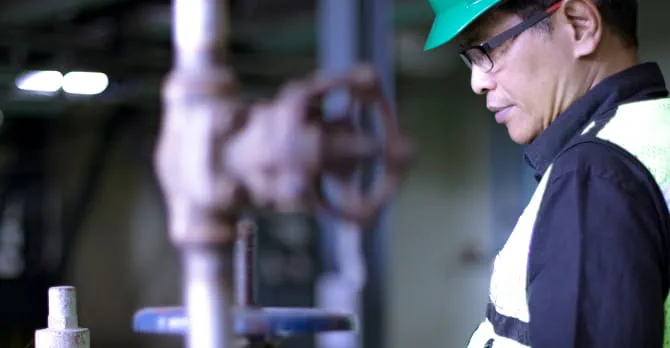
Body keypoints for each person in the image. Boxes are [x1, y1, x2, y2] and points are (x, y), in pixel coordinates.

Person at [423, 0, 670, 347]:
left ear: (580, 24)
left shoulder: (592, 177)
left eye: (487, 49)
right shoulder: (652, 132)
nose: (477, 82)